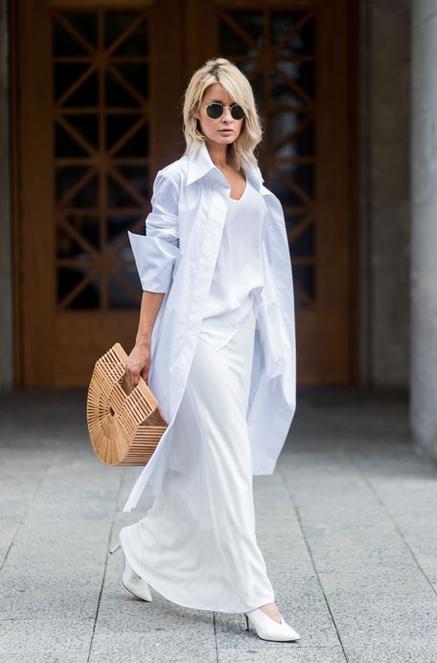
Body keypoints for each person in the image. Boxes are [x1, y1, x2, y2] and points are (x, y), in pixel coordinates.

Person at [109, 57, 300, 643]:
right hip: (195, 341)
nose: (226, 118)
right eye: (215, 107)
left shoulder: (256, 182)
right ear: (196, 112)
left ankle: (142, 553)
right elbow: (158, 268)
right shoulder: (177, 180)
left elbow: (264, 269)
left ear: (247, 117)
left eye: (236, 108)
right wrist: (143, 343)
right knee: (226, 462)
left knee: (205, 461)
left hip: (240, 337)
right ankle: (257, 599)